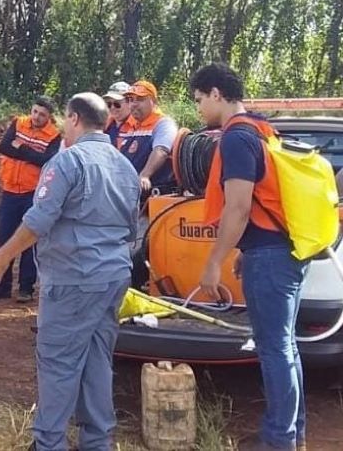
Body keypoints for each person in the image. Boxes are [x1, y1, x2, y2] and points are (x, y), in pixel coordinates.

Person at [0, 93, 140, 451]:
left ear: (73, 119)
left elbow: (39, 220)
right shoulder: (124, 166)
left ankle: (49, 443)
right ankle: (97, 441)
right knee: (97, 359)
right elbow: (132, 227)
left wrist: (4, 254)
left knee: (58, 362)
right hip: (113, 277)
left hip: (74, 279)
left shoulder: (67, 162)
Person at [192, 63, 308, 451]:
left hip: (272, 256)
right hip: (280, 249)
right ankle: (292, 432)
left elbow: (239, 208)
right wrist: (247, 250)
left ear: (216, 95)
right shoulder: (261, 129)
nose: (198, 110)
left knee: (275, 349)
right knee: (286, 347)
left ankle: (279, 441)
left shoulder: (236, 138)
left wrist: (214, 261)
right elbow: (261, 201)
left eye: (198, 101)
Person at [0, 96, 60, 303]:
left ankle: (26, 288)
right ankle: (1, 287)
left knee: (29, 241)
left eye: (42, 114)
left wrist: (21, 148)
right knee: (5, 238)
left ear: (49, 117)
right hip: (9, 191)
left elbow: (46, 160)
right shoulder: (18, 123)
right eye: (35, 112)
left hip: (33, 194)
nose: (37, 117)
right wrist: (30, 153)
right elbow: (5, 147)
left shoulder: (54, 135)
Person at [118, 79, 178, 195]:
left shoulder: (163, 124)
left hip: (153, 195)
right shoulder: (130, 127)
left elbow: (161, 150)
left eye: (140, 99)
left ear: (153, 101)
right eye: (130, 100)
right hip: (129, 194)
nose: (134, 104)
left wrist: (145, 175)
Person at [102, 81, 135, 147]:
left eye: (117, 104)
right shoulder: (105, 126)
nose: (112, 108)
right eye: (109, 104)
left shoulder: (137, 127)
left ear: (129, 102)